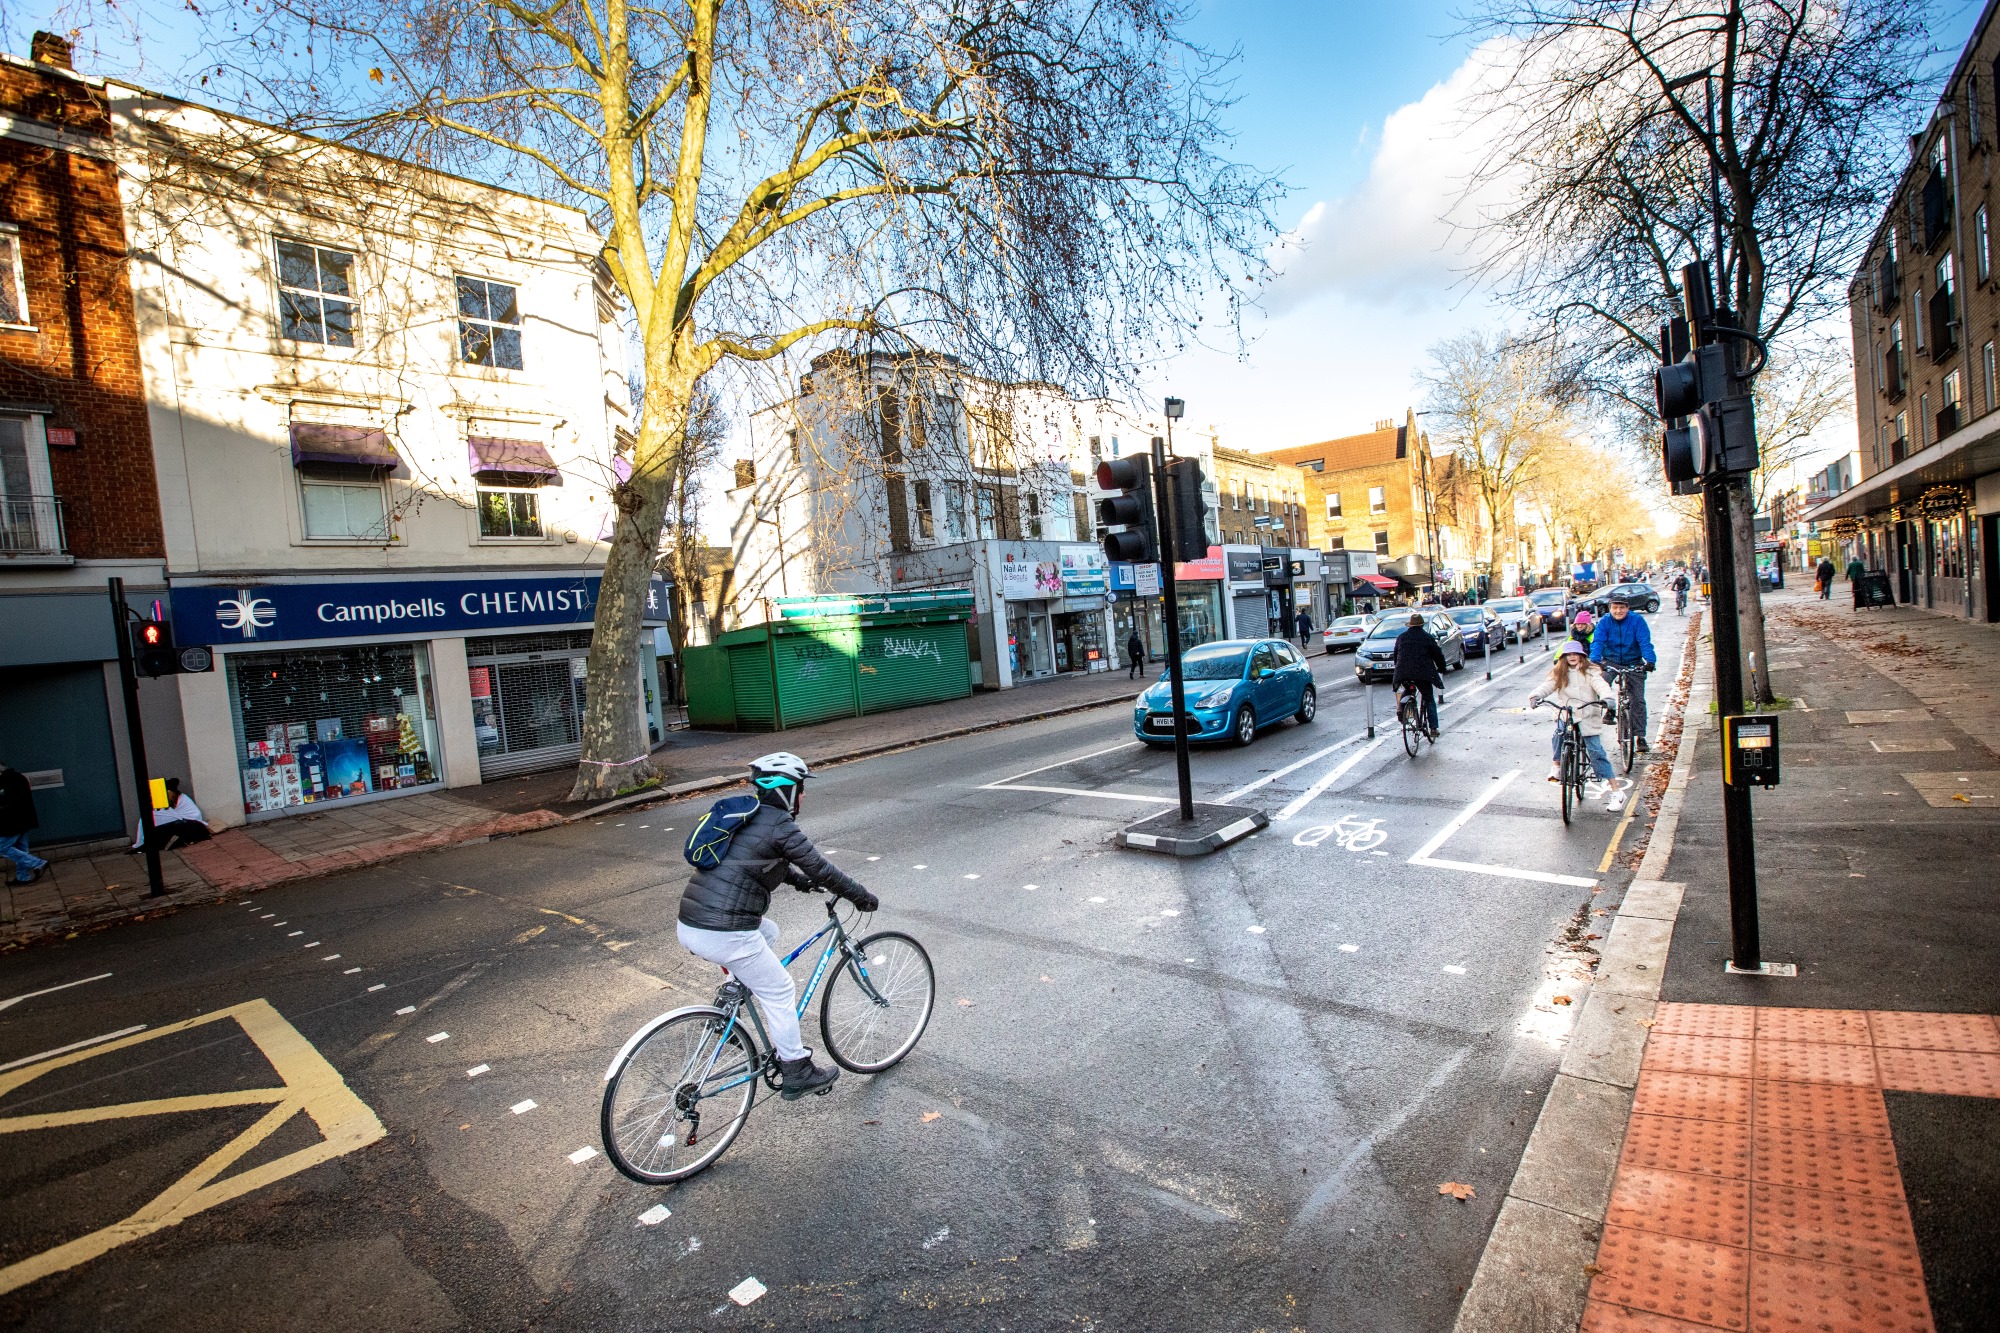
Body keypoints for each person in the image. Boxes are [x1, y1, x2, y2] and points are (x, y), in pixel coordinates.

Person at [676, 752, 878, 1100]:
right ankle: (796, 1069)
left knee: (768, 932)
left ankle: (731, 993)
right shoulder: (780, 825)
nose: (803, 795)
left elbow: (756, 862)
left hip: (692, 924)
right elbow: (822, 868)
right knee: (781, 990)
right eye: (800, 788)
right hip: (725, 932)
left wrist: (799, 883)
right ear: (787, 791)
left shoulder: (748, 819)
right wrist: (861, 896)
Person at [1531, 641, 1622, 808]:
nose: (1572, 657)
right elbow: (1547, 686)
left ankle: (1616, 792)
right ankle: (1557, 765)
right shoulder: (1559, 673)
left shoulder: (1591, 671)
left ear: (1581, 656)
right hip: (1567, 714)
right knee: (1559, 733)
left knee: (1596, 751)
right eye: (1568, 654)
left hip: (1588, 714)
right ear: (1563, 658)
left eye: (1575, 654)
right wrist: (1536, 695)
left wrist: (1607, 698)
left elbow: (1601, 685)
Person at [1590, 590, 1657, 753]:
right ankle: (1610, 709)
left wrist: (1650, 661)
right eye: (1614, 608)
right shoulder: (1605, 622)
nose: (1618, 611)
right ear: (1610, 608)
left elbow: (1644, 642)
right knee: (1600, 684)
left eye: (1621, 608)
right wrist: (1595, 659)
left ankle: (1640, 737)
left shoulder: (1637, 621)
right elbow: (1598, 641)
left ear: (1627, 608)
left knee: (1638, 700)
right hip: (1611, 660)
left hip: (1633, 661)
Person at [1390, 612, 1446, 740]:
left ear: (1410, 625)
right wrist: (1441, 668)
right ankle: (1433, 728)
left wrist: (1399, 668)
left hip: (1403, 671)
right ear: (1421, 625)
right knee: (1428, 697)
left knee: (1408, 688)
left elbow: (1396, 655)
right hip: (1423, 673)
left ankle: (1401, 707)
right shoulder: (1427, 637)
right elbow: (1437, 655)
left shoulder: (1401, 637)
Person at [129, 778, 214, 853]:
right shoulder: (173, 798)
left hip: (191, 822)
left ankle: (151, 842)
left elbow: (171, 815)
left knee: (164, 826)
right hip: (188, 822)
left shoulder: (178, 798)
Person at [0, 759, 48, 886]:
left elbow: (6, 802)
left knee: (2, 847)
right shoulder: (19, 777)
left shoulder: (4, 782)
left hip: (11, 822)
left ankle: (37, 863)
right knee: (21, 848)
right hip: (24, 820)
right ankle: (22, 877)